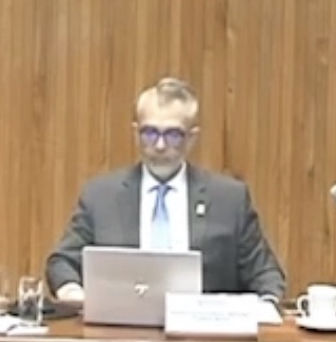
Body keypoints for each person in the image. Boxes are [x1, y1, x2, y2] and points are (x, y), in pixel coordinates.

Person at [44, 77, 287, 302]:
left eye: (172, 135)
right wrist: (74, 293)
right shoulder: (101, 196)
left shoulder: (229, 199)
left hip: (202, 331)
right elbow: (62, 261)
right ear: (135, 133)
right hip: (120, 329)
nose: (159, 145)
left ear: (191, 138)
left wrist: (266, 306)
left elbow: (266, 274)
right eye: (150, 133)